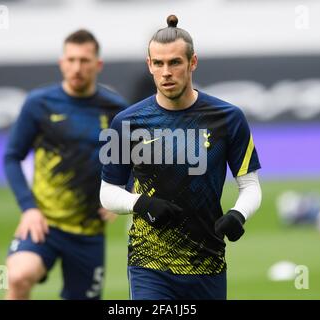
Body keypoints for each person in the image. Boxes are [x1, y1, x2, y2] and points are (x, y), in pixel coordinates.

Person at [99, 15, 262, 300]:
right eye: (158, 63)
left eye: (175, 62)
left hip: (207, 261)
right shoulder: (126, 122)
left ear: (192, 62)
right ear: (149, 65)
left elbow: (250, 186)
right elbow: (107, 192)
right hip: (148, 263)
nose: (166, 72)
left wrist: (239, 214)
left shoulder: (228, 118)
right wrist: (141, 203)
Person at [4, 29, 128, 300]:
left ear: (98, 65)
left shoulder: (116, 109)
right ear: (62, 63)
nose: (77, 67)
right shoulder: (39, 104)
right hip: (43, 224)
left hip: (89, 231)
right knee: (18, 276)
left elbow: (136, 160)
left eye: (84, 61)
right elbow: (12, 156)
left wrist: (124, 192)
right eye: (71, 60)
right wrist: (28, 208)